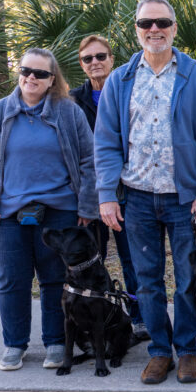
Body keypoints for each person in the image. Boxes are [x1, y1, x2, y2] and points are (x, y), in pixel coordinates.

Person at [94, 0, 196, 386]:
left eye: (162, 22)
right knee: (147, 281)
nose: (155, 29)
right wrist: (106, 194)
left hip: (183, 198)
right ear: (136, 29)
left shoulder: (195, 75)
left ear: (173, 28)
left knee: (187, 279)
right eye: (147, 23)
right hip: (135, 197)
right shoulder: (120, 80)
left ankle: (186, 351)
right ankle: (158, 352)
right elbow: (106, 142)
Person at [0, 48, 98, 371]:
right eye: (26, 71)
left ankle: (55, 342)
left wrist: (87, 205)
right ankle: (14, 344)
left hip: (59, 212)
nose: (31, 78)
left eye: (40, 73)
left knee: (54, 278)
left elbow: (89, 161)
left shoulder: (69, 113)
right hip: (9, 214)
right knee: (12, 280)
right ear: (18, 73)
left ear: (52, 79)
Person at [69, 34, 147, 341]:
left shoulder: (129, 91)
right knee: (92, 260)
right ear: (81, 65)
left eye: (101, 56)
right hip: (90, 195)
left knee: (133, 260)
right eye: (88, 59)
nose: (95, 63)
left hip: (127, 191)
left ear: (112, 59)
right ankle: (96, 322)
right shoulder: (73, 100)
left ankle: (140, 318)